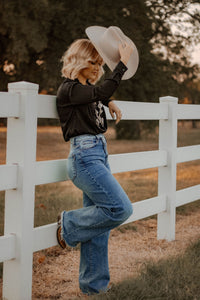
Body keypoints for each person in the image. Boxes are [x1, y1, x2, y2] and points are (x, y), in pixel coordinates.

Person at [56, 37, 134, 295]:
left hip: (98, 154)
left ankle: (94, 288)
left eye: (100, 64)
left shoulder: (86, 93)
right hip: (84, 158)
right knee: (120, 208)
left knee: (99, 229)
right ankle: (68, 225)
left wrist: (106, 102)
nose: (98, 68)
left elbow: (95, 95)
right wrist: (121, 64)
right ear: (77, 60)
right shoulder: (68, 89)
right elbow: (95, 92)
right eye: (93, 62)